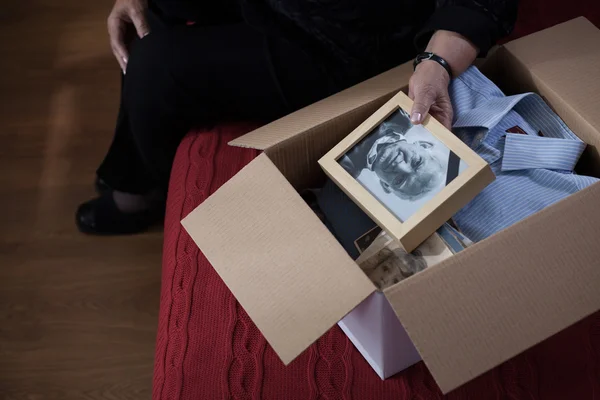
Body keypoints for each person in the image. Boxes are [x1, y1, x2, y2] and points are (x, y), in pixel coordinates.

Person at [76, 0, 518, 235]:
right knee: (152, 9)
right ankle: (134, 162)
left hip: (348, 41)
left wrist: (435, 63)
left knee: (155, 63)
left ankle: (139, 187)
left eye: (401, 171)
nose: (401, 161)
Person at [340, 117, 447, 201]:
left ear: (385, 185)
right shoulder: (405, 113)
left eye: (399, 180)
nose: (400, 166)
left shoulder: (344, 169)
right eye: (416, 162)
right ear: (423, 145)